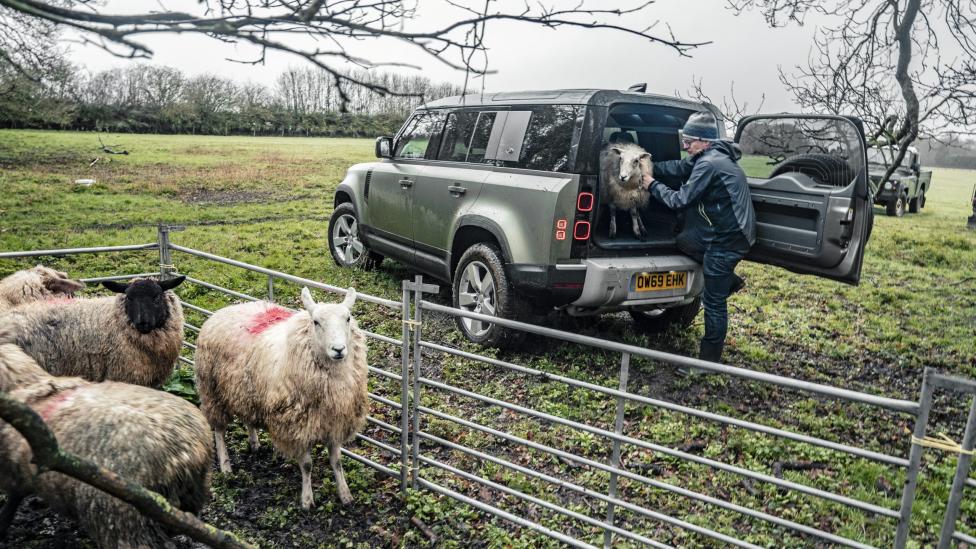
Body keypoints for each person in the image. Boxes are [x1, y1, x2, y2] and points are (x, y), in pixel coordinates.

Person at [641, 112, 756, 365]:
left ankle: (707, 364)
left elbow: (679, 200)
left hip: (728, 239)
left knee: (713, 302)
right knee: (684, 241)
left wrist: (650, 184)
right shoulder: (710, 156)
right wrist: (648, 167)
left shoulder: (709, 163)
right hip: (731, 232)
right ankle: (728, 279)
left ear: (705, 141)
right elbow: (680, 167)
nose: (684, 145)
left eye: (689, 141)